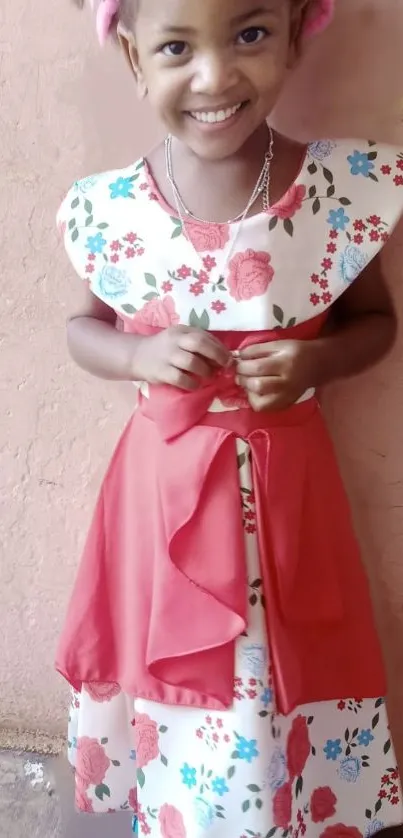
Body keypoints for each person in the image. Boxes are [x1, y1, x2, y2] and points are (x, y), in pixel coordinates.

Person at [56, 0, 403, 835]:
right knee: (178, 660)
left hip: (285, 496)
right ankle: (188, 808)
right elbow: (82, 331)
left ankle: (289, 806)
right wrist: (139, 357)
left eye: (249, 34)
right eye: (177, 46)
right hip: (162, 496)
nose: (214, 76)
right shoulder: (112, 209)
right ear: (136, 60)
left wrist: (316, 359)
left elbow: (375, 323)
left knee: (281, 655)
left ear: (293, 34)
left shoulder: (332, 190)